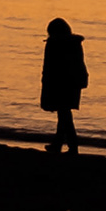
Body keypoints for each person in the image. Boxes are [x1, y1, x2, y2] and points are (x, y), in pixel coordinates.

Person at [39, 16, 89, 154]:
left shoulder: (54, 43)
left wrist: (45, 84)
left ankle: (72, 146)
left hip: (60, 81)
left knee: (64, 114)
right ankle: (58, 144)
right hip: (74, 82)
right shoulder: (75, 43)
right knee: (64, 113)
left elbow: (49, 66)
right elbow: (79, 63)